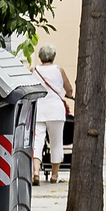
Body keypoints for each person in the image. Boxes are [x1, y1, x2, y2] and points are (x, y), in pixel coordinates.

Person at [31, 43, 73, 185]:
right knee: (56, 143)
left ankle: (35, 172)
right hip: (56, 111)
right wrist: (68, 94)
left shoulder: (34, 70)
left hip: (39, 110)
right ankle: (54, 176)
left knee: (37, 141)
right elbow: (69, 89)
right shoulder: (58, 70)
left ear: (40, 57)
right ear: (53, 56)